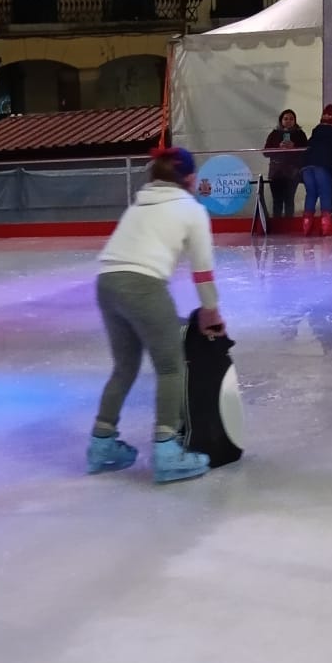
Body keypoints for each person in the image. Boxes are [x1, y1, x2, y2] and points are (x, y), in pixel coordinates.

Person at [87, 146, 226, 485]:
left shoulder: (140, 204)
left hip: (107, 282)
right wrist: (211, 310)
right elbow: (203, 271)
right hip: (143, 285)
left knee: (124, 366)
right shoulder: (191, 210)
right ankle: (166, 451)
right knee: (170, 367)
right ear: (191, 179)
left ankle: (101, 445)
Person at [301, 105, 332, 237]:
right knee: (325, 193)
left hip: (306, 167)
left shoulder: (316, 131)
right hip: (324, 167)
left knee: (310, 193)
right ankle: (326, 226)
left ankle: (306, 225)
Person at [262, 109, 308, 221]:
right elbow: (266, 152)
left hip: (293, 172)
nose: (288, 121)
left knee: (289, 199)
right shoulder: (274, 134)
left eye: (291, 119)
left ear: (295, 121)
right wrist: (278, 147)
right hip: (276, 172)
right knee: (277, 200)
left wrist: (295, 147)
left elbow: (306, 152)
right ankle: (277, 224)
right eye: (286, 119)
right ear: (281, 120)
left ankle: (289, 224)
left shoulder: (300, 134)